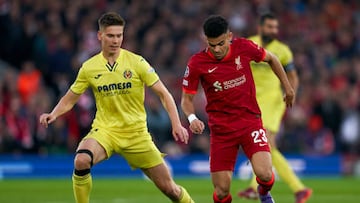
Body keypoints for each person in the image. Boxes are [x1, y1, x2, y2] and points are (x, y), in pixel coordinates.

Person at [39, 12, 194, 203]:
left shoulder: (137, 62)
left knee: (171, 189)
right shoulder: (89, 67)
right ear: (100, 36)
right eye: (111, 35)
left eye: (119, 35)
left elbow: (164, 94)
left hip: (136, 134)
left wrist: (177, 124)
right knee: (81, 160)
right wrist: (53, 114)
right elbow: (71, 98)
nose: (115, 40)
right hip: (106, 131)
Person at [181, 15, 295, 203]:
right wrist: (192, 118)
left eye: (220, 43)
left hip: (250, 123)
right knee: (222, 191)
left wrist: (288, 88)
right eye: (212, 44)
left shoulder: (244, 47)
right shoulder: (197, 63)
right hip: (222, 131)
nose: (216, 49)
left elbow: (273, 59)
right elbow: (186, 99)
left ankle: (264, 193)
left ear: (230, 36)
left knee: (265, 174)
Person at [237, 13, 312, 203]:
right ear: (260, 27)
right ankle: (298, 189)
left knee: (265, 142)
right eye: (270, 27)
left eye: (275, 27)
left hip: (272, 102)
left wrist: (290, 92)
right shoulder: (249, 44)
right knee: (266, 146)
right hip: (252, 102)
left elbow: (293, 75)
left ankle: (259, 188)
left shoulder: (283, 50)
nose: (273, 31)